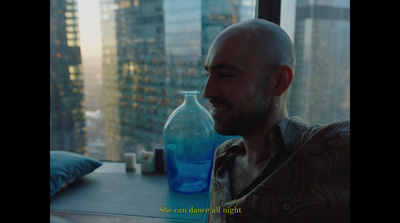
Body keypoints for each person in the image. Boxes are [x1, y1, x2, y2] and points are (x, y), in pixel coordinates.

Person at [202, 18, 350, 223]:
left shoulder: (329, 148)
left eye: (226, 75)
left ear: (280, 81)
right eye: (208, 74)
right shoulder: (223, 159)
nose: (207, 91)